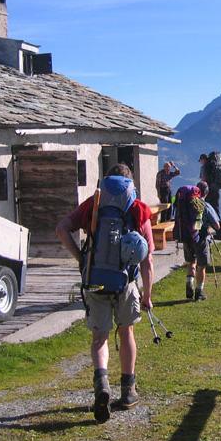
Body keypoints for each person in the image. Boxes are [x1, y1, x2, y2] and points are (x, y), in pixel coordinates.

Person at [55, 163, 155, 423]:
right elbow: (147, 258)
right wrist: (147, 295)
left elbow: (61, 229)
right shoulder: (138, 208)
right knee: (126, 332)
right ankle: (128, 390)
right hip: (126, 282)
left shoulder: (94, 203)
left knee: (100, 337)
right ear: (130, 183)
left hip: (96, 279)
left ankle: (102, 385)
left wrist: (81, 259)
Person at [174, 181, 220, 301]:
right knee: (201, 265)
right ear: (207, 192)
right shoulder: (205, 205)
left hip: (187, 237)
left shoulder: (187, 203)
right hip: (201, 238)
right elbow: (217, 225)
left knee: (191, 262)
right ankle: (199, 292)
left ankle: (189, 285)